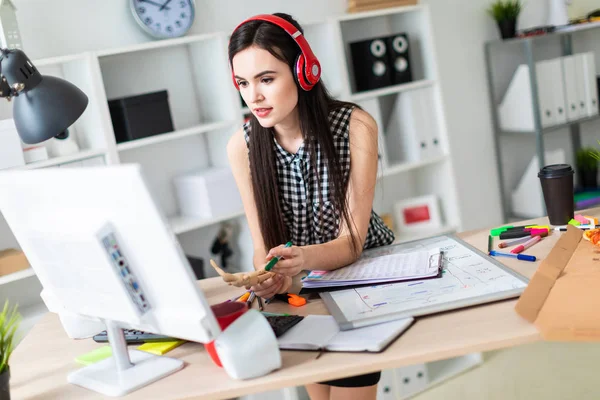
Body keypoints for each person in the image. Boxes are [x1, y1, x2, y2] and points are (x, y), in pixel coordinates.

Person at [226, 12, 395, 400]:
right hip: (301, 288)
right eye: (243, 83)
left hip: (362, 277)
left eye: (267, 79)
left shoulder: (354, 127)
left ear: (304, 71)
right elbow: (259, 245)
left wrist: (300, 259)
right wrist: (266, 273)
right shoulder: (242, 145)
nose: (254, 96)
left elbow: (351, 242)